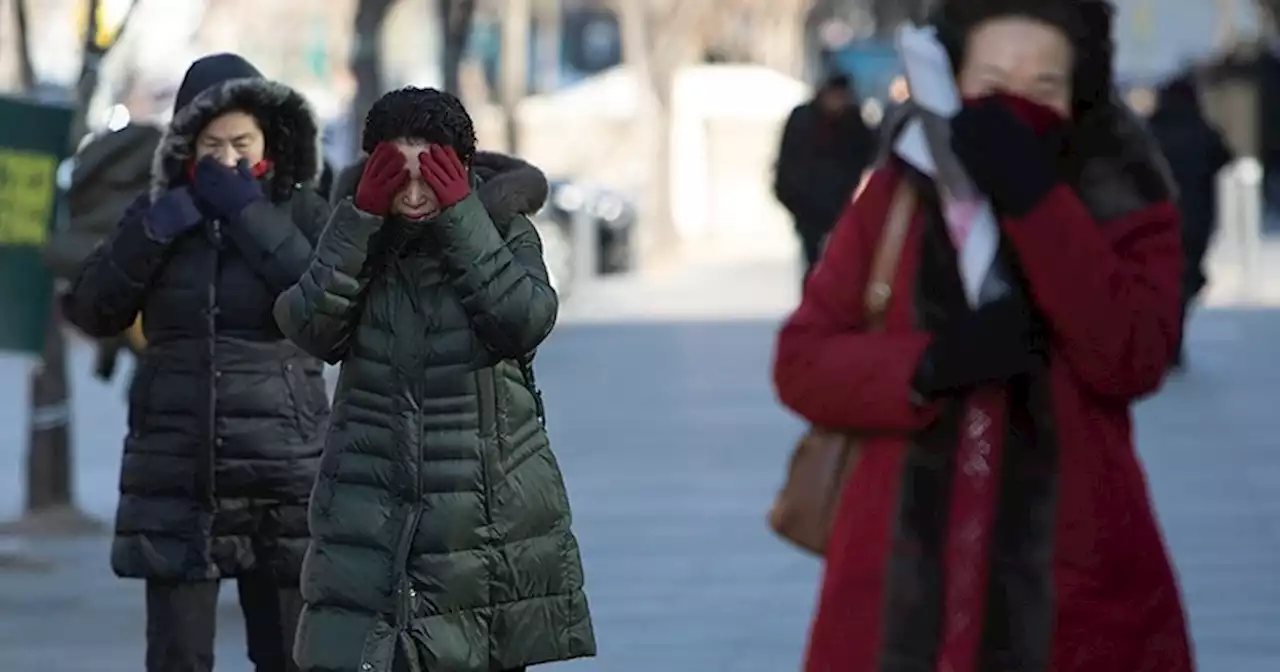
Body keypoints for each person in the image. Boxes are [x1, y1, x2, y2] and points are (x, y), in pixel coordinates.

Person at [771, 1, 1193, 671]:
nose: (1014, 107)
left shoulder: (1122, 192)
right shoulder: (901, 191)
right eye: (992, 85)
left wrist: (1035, 201)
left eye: (1043, 87)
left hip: (1076, 592)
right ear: (954, 81)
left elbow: (1134, 356)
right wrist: (931, 364)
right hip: (894, 601)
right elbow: (801, 361)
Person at [275, 87, 595, 672]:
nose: (415, 195)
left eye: (433, 175)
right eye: (399, 176)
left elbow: (524, 321)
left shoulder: (503, 228)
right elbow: (310, 326)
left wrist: (462, 219)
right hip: (371, 500)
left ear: (461, 168)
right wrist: (362, 218)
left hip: (486, 510)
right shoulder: (359, 238)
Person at [62, 53, 331, 672]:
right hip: (181, 472)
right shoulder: (155, 213)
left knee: (292, 657)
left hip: (282, 474)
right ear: (186, 143)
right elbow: (93, 308)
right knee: (178, 657)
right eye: (212, 144)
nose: (229, 158)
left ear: (268, 137)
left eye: (242, 142)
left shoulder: (302, 211)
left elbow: (325, 311)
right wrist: (153, 231)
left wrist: (249, 214)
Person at [1146, 73, 1233, 369]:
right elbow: (1225, 158)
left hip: (1157, 221)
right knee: (1186, 280)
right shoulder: (1202, 131)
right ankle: (1173, 342)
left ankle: (1164, 342)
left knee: (1161, 282)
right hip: (1197, 221)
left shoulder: (1150, 131)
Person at [774, 72, 876, 284]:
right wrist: (797, 203)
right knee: (815, 269)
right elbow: (788, 166)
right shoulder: (804, 121)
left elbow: (867, 158)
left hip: (841, 212)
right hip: (809, 212)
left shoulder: (853, 124)